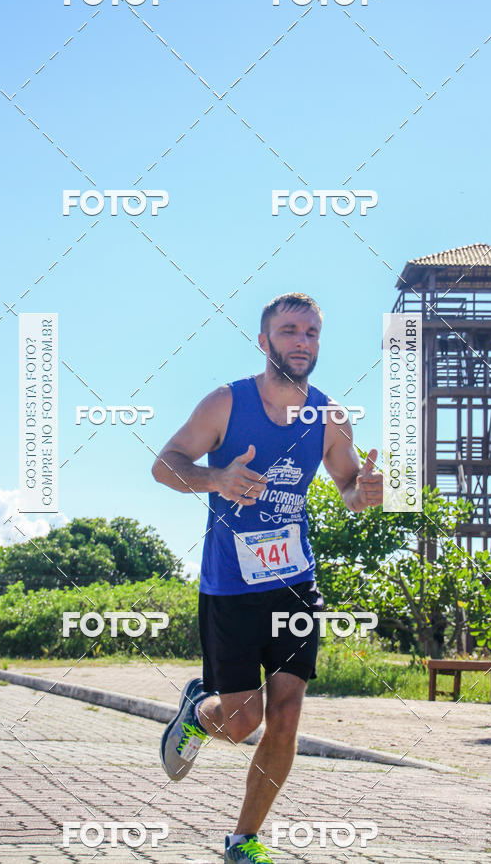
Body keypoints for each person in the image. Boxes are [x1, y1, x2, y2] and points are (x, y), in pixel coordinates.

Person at [151, 292, 383, 863]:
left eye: (311, 332)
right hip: (231, 586)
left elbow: (348, 488)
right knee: (241, 723)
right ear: (264, 341)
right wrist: (216, 479)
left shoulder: (329, 416)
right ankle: (199, 711)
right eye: (289, 331)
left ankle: (243, 840)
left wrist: (365, 492)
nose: (302, 341)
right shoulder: (225, 403)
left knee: (285, 715)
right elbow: (165, 464)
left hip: (295, 583)